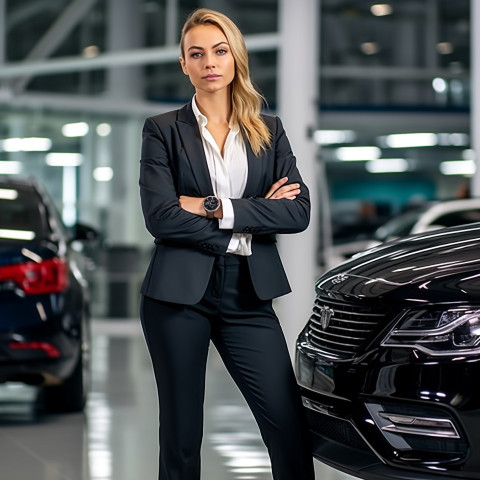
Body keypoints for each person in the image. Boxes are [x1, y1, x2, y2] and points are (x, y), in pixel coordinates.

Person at [139, 8, 315, 480]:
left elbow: (297, 213)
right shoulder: (162, 130)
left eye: (219, 51)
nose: (209, 62)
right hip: (177, 296)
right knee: (180, 433)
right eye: (196, 54)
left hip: (248, 294)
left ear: (235, 58)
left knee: (287, 423)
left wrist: (214, 206)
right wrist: (256, 212)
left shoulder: (269, 131)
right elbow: (161, 217)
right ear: (184, 64)